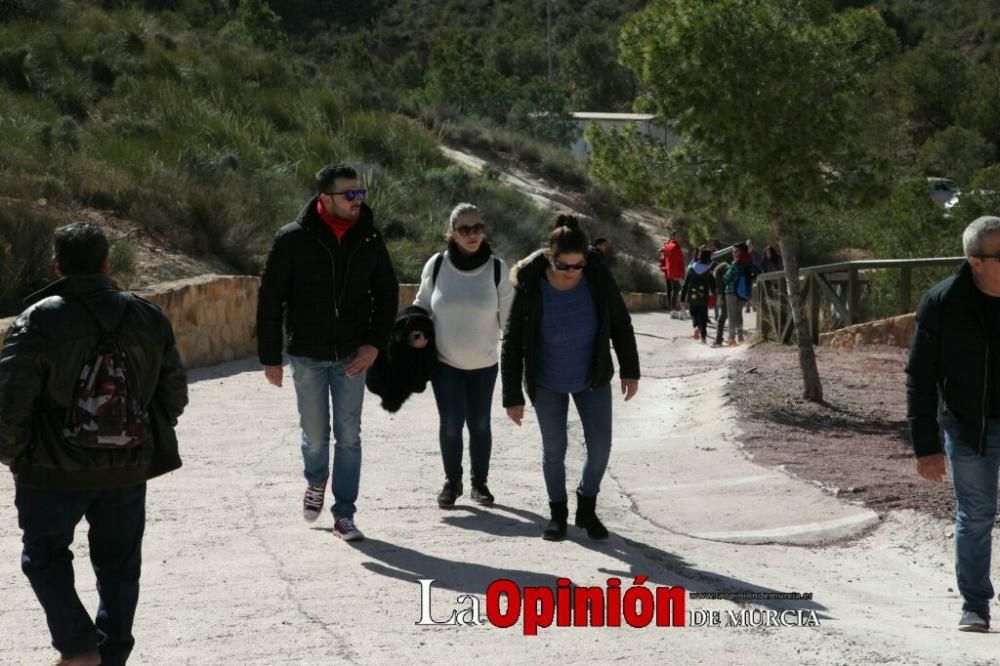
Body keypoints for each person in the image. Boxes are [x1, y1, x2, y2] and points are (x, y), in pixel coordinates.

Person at [0, 222, 188, 666]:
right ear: (107, 263)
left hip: (51, 470)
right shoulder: (147, 316)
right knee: (120, 564)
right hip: (126, 466)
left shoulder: (39, 320)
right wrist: (138, 436)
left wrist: (17, 456)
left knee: (43, 555)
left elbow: (10, 401)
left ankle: (80, 648)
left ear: (57, 265)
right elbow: (174, 393)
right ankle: (112, 654)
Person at [257, 164, 399, 542]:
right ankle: (316, 480)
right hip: (308, 354)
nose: (357, 201)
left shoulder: (369, 237)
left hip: (353, 355)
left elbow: (386, 294)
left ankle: (344, 513)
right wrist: (270, 357)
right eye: (348, 195)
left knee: (349, 436)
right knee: (316, 435)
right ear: (325, 199)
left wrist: (374, 345)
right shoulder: (291, 239)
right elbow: (271, 299)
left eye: (360, 194)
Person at [502, 216, 640, 542]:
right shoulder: (531, 284)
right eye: (565, 266)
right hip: (547, 381)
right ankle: (558, 514)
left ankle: (587, 505)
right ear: (552, 258)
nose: (571, 272)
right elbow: (512, 340)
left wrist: (630, 370)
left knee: (601, 446)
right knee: (554, 450)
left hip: (591, 377)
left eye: (578, 265)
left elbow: (620, 322)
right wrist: (512, 395)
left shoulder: (596, 276)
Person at [908, 215, 1000, 633]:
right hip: (969, 429)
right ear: (975, 260)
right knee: (977, 516)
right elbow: (921, 377)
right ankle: (975, 605)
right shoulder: (943, 302)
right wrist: (926, 445)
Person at [413, 203, 514, 508]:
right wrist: (414, 332)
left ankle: (479, 484)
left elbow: (510, 319)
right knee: (451, 423)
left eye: (477, 228)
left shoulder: (497, 268)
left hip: (484, 364)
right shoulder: (437, 265)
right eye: (465, 229)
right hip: (445, 364)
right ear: (452, 233)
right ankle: (451, 482)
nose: (472, 234)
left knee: (480, 423)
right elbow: (422, 305)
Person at [722, 243, 760, 346]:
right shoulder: (749, 262)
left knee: (732, 315)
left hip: (731, 292)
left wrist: (726, 273)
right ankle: (740, 337)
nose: (733, 253)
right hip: (744, 293)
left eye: (735, 251)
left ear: (741, 252)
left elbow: (726, 278)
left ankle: (731, 338)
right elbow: (757, 272)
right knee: (739, 314)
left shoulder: (736, 263)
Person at [679, 248, 716, 343]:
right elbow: (713, 285)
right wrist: (714, 295)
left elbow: (685, 284)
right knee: (703, 316)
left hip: (692, 296)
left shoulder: (692, 268)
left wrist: (682, 297)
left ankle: (696, 327)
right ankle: (703, 337)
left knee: (694, 314)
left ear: (699, 256)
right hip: (704, 297)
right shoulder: (708, 270)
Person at [659, 232, 685, 315]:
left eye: (680, 236)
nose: (680, 238)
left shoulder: (674, 246)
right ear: (673, 237)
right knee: (678, 290)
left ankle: (674, 310)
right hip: (675, 273)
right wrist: (676, 274)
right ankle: (677, 310)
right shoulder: (673, 247)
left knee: (676, 290)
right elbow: (673, 262)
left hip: (673, 273)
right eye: (678, 236)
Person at [711, 260, 731, 347]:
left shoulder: (719, 274)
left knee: (721, 319)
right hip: (736, 296)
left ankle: (718, 340)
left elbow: (719, 291)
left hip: (726, 297)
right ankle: (735, 338)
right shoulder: (730, 269)